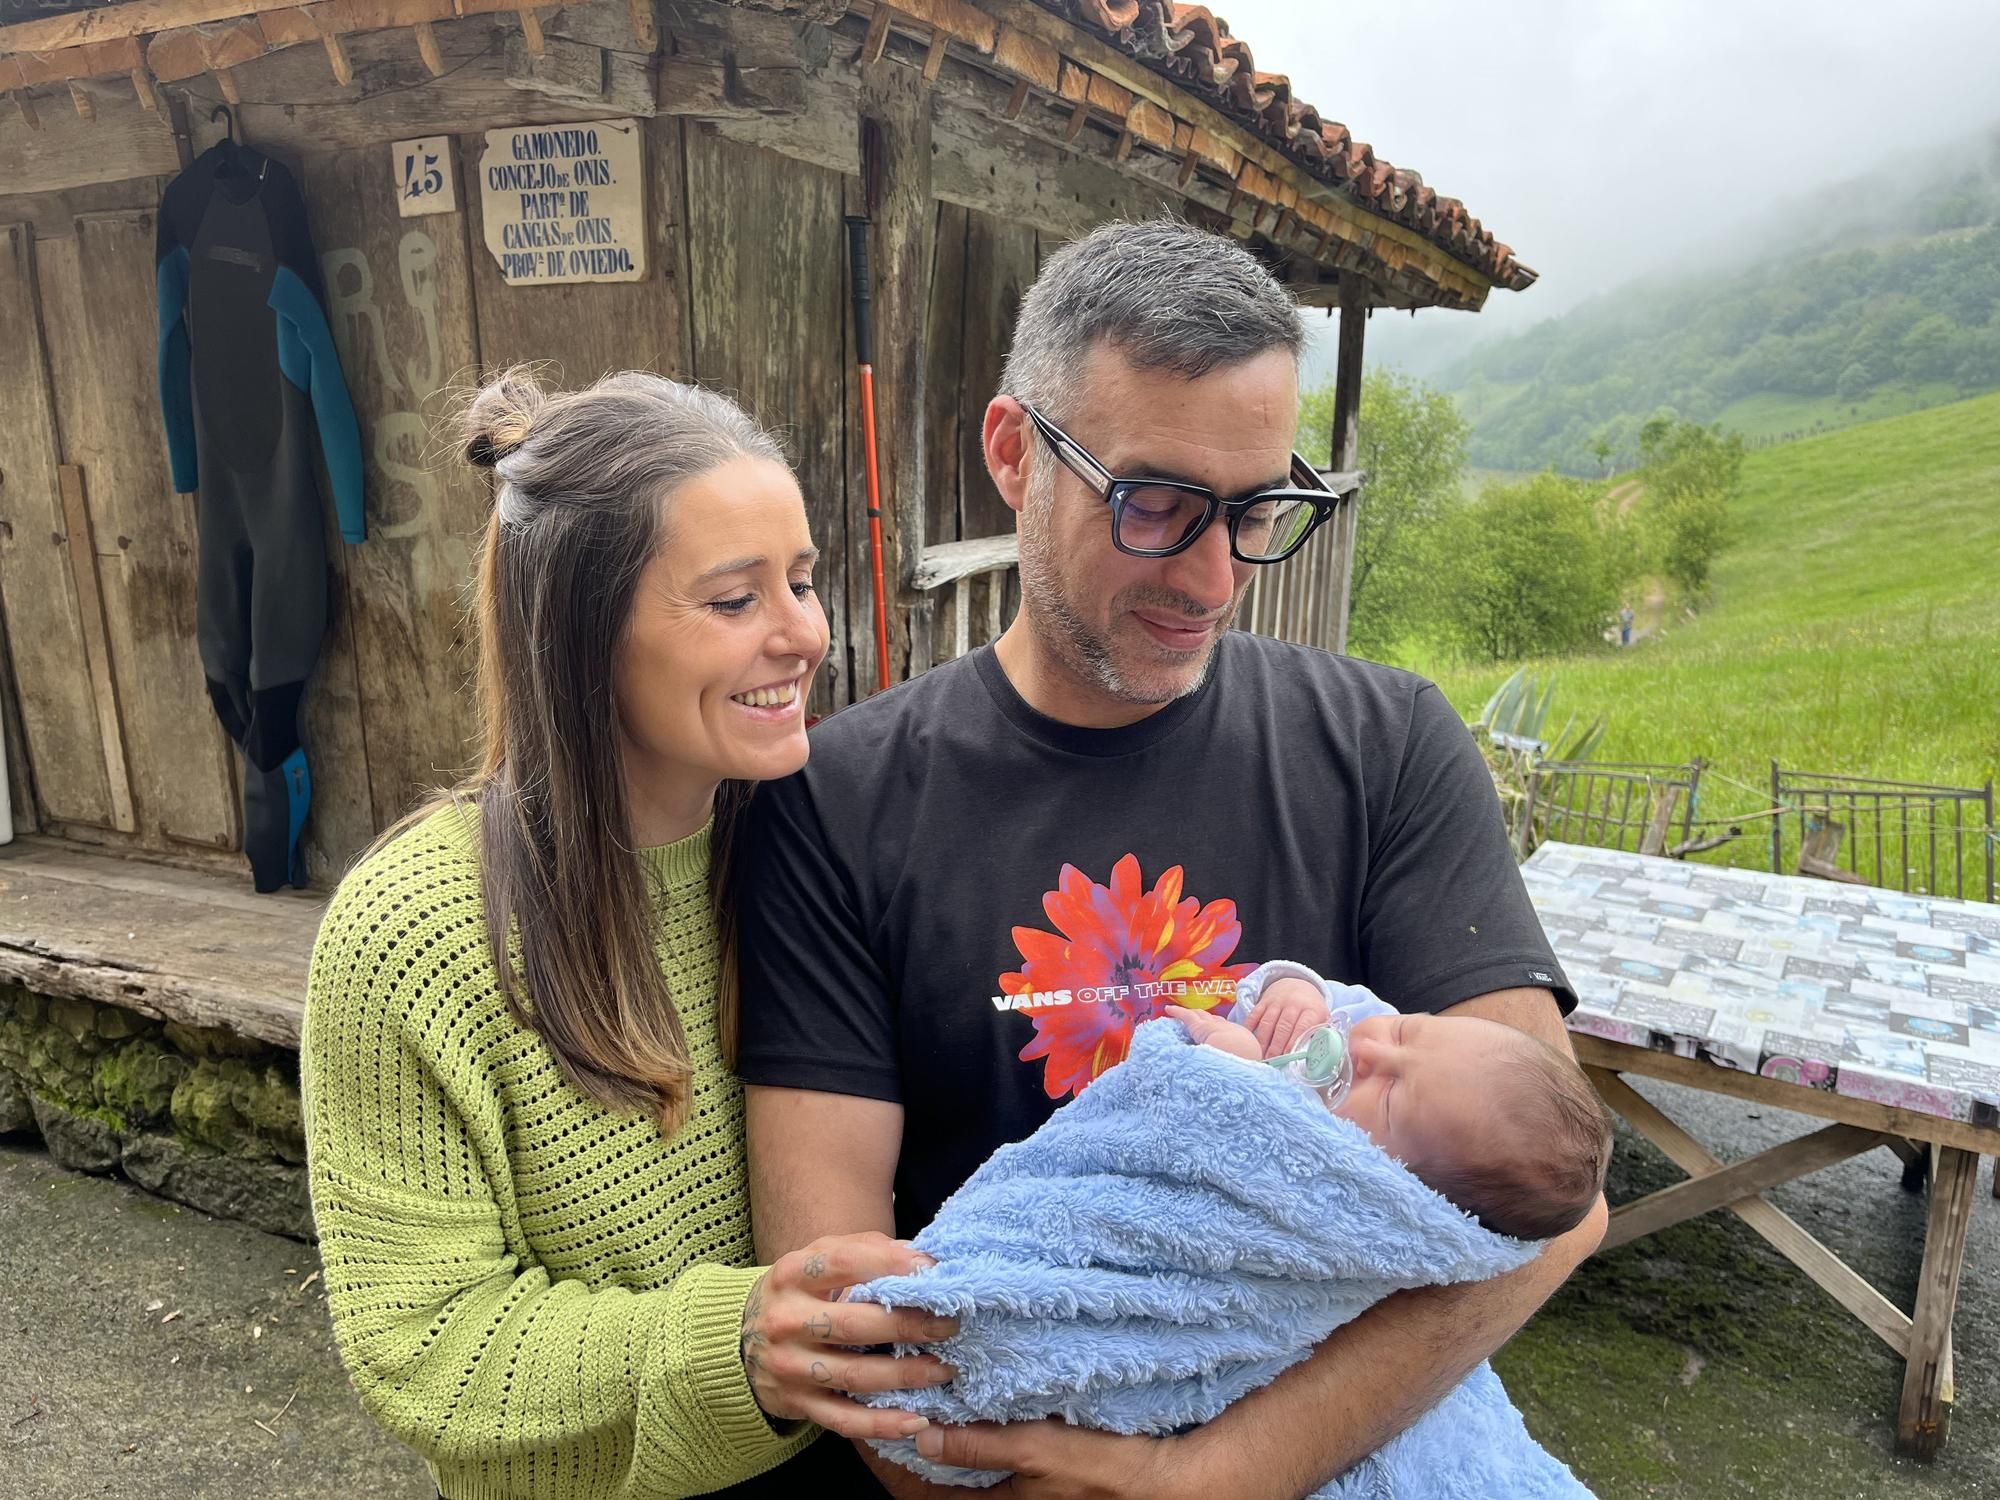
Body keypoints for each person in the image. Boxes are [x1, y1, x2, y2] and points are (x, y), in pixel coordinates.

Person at [737, 218, 1607, 1500]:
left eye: (1256, 509)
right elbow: (850, 1332)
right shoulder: (835, 802)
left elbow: (1549, 1208)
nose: (1210, 574)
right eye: (1155, 504)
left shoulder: (1384, 745)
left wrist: (1213, 1476)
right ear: (1012, 453)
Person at [300, 370, 953, 1500]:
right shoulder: (414, 931)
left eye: (801, 581)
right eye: (733, 599)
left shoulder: (814, 843)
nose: (805, 634)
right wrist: (735, 1344)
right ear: (581, 630)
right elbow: (423, 1345)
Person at [1170, 963, 1610, 1243]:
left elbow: (1232, 1160)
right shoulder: (1361, 1020)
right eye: (1406, 1032)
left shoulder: (1328, 1171)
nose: (1371, 1052)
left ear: (1400, 1185)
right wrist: (1293, 988)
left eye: (1391, 1093)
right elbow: (1307, 988)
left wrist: (1238, 1070)